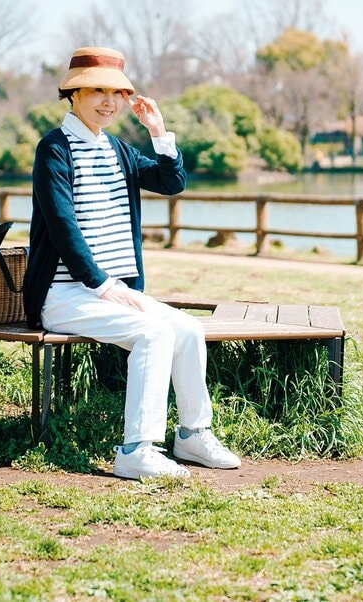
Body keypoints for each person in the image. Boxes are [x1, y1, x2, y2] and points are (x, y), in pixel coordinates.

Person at [22, 46, 240, 480]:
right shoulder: (55, 149)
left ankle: (192, 434)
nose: (108, 101)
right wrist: (104, 285)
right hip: (64, 294)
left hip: (111, 292)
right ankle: (135, 450)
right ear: (73, 95)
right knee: (155, 333)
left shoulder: (117, 148)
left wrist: (158, 131)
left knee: (189, 329)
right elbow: (63, 226)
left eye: (117, 93)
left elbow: (171, 181)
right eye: (96, 90)